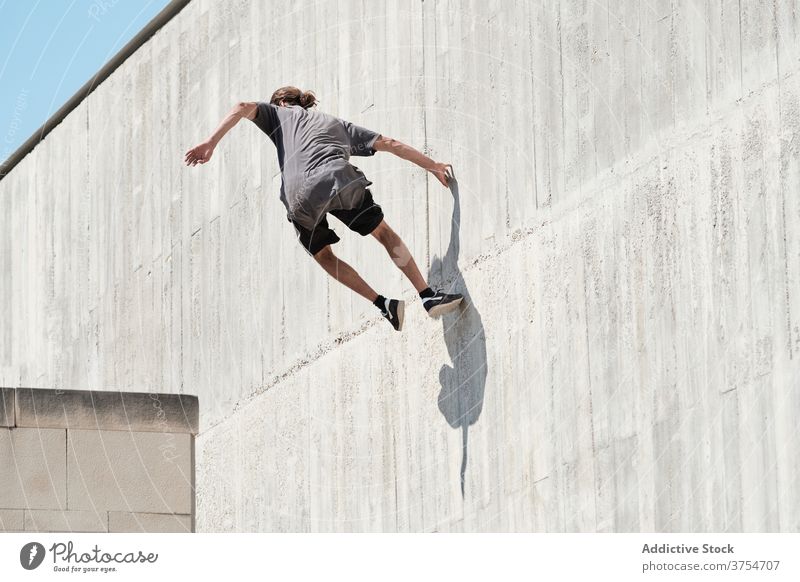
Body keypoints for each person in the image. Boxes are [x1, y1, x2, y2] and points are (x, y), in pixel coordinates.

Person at [184, 86, 462, 331]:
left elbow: (242, 107)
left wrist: (211, 143)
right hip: (339, 181)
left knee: (323, 255)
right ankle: (426, 295)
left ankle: (383, 304)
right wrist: (433, 165)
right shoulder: (337, 124)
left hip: (300, 200)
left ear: (281, 102)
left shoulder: (278, 115)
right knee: (383, 233)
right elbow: (391, 144)